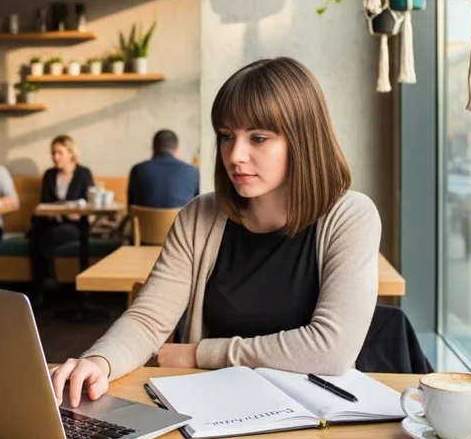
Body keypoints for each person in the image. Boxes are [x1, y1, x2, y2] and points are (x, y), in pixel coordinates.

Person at [50, 57, 382, 407]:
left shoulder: (351, 216)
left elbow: (330, 350)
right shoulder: (200, 216)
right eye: (226, 136)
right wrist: (99, 361)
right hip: (215, 410)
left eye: (258, 138)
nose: (235, 155)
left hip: (314, 414)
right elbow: (149, 319)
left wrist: (201, 353)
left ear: (303, 140)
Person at [27, 135, 95, 297]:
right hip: (51, 222)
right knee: (39, 235)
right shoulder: (49, 174)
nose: (55, 157)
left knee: (40, 238)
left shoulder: (83, 173)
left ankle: (43, 285)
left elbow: (89, 203)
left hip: (75, 225)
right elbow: (43, 203)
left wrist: (73, 213)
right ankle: (46, 283)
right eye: (53, 153)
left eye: (59, 152)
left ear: (71, 153)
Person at [127, 129, 200, 209]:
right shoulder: (193, 172)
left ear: (153, 150)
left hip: (146, 221)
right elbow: (197, 209)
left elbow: (130, 208)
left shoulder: (138, 170)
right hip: (181, 220)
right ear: (177, 151)